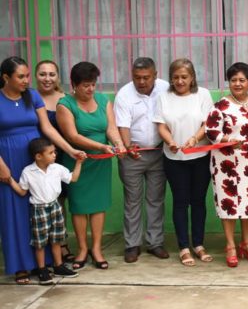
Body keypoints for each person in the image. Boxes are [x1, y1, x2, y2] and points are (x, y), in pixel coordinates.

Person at [0, 56, 84, 284]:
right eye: (21, 76)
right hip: (6, 159)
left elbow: (47, 128)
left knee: (38, 211)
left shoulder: (33, 96)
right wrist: (1, 166)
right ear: (6, 77)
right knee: (14, 212)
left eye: (27, 75)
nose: (26, 80)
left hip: (35, 158)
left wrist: (70, 148)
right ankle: (20, 265)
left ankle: (45, 262)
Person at [57, 61, 126, 270]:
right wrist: (100, 146)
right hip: (78, 161)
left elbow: (111, 128)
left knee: (98, 205)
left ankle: (96, 249)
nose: (91, 89)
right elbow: (72, 136)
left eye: (93, 84)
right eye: (86, 85)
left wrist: (118, 144)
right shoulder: (64, 104)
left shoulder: (104, 100)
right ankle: (82, 249)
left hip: (101, 163)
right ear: (74, 85)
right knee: (78, 207)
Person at [206, 62, 248, 267]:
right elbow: (211, 132)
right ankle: (231, 245)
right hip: (227, 163)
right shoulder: (221, 105)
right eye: (233, 80)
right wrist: (229, 141)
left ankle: (247, 243)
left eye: (242, 80)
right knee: (230, 203)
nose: (238, 84)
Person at [154, 58, 214, 267]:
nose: (180, 81)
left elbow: (208, 123)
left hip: (200, 157)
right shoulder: (163, 97)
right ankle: (184, 247)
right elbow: (161, 126)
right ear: (171, 78)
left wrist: (195, 139)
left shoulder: (203, 94)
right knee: (180, 202)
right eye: (176, 77)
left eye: (184, 77)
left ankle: (198, 244)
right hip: (174, 159)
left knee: (198, 201)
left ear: (192, 78)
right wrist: (170, 141)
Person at [113, 57, 170, 263]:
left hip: (159, 153)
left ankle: (155, 242)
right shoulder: (124, 95)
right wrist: (128, 147)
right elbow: (123, 126)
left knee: (156, 200)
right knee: (132, 201)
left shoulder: (165, 88)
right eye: (137, 78)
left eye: (146, 77)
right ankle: (132, 245)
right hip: (132, 155)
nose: (142, 82)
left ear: (155, 75)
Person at [6, 137, 83, 284]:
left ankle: (58, 266)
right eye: (51, 152)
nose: (55, 155)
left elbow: (73, 178)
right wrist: (10, 180)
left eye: (54, 152)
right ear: (38, 156)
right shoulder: (28, 172)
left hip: (55, 207)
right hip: (39, 209)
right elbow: (22, 191)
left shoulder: (57, 168)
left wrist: (79, 163)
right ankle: (42, 270)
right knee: (40, 242)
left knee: (56, 239)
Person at [34, 60, 74, 262]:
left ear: (58, 77)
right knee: (38, 202)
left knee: (59, 202)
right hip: (36, 157)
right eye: (42, 74)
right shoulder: (30, 98)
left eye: (51, 74)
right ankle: (41, 244)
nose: (47, 78)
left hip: (62, 157)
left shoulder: (65, 99)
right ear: (35, 76)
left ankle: (61, 242)